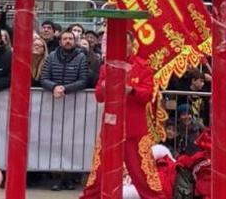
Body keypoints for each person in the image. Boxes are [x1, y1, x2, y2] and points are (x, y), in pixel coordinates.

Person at [82, 52, 168, 199]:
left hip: (135, 130)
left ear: (131, 45)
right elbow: (99, 96)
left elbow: (148, 96)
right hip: (110, 127)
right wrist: (104, 86)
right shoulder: (106, 67)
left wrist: (132, 91)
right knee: (100, 170)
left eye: (126, 43)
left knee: (143, 172)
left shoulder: (144, 67)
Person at [40, 30, 91, 190]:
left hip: (74, 103)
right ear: (60, 41)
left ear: (75, 41)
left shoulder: (81, 57)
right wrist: (54, 87)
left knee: (72, 141)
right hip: (54, 102)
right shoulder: (52, 56)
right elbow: (44, 78)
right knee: (55, 141)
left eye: (70, 38)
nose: (68, 41)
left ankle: (70, 177)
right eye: (65, 38)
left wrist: (65, 89)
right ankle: (59, 177)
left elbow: (83, 80)